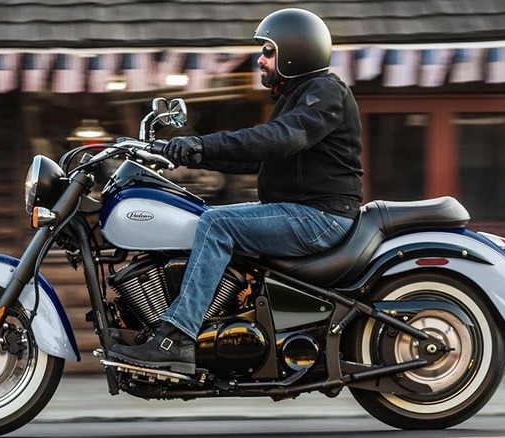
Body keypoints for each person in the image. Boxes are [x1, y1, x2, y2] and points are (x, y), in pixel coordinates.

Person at [109, 8, 364, 375]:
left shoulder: (324, 92)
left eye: (268, 51)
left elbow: (279, 140)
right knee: (206, 214)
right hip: (302, 211)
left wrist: (201, 143)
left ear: (296, 52)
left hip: (320, 217)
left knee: (216, 224)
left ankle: (175, 340)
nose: (260, 59)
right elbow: (258, 160)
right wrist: (185, 155)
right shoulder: (298, 97)